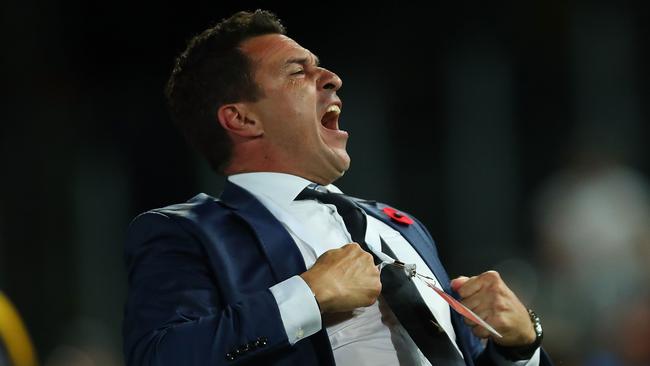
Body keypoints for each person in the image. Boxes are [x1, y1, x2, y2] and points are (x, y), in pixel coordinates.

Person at [123, 10, 552, 366]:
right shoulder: (189, 232)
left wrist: (519, 346)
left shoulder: (401, 228)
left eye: (320, 66)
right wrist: (307, 296)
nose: (331, 78)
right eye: (298, 72)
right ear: (242, 119)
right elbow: (162, 356)